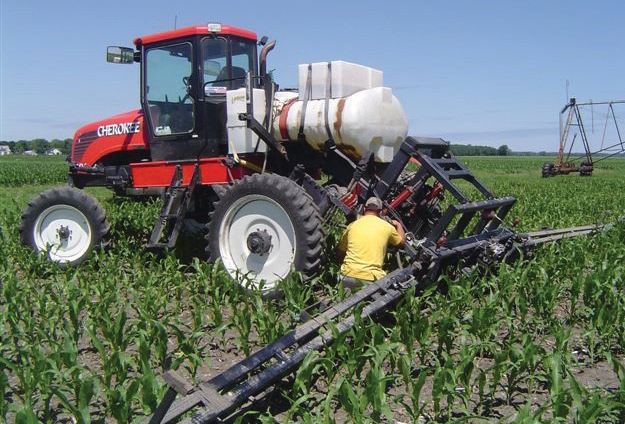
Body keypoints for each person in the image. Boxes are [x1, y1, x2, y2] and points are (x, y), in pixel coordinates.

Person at [337, 197, 406, 290]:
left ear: (365, 209)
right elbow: (401, 243)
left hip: (348, 276)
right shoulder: (387, 227)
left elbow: (340, 254)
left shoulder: (352, 225)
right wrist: (398, 224)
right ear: (380, 212)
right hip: (371, 279)